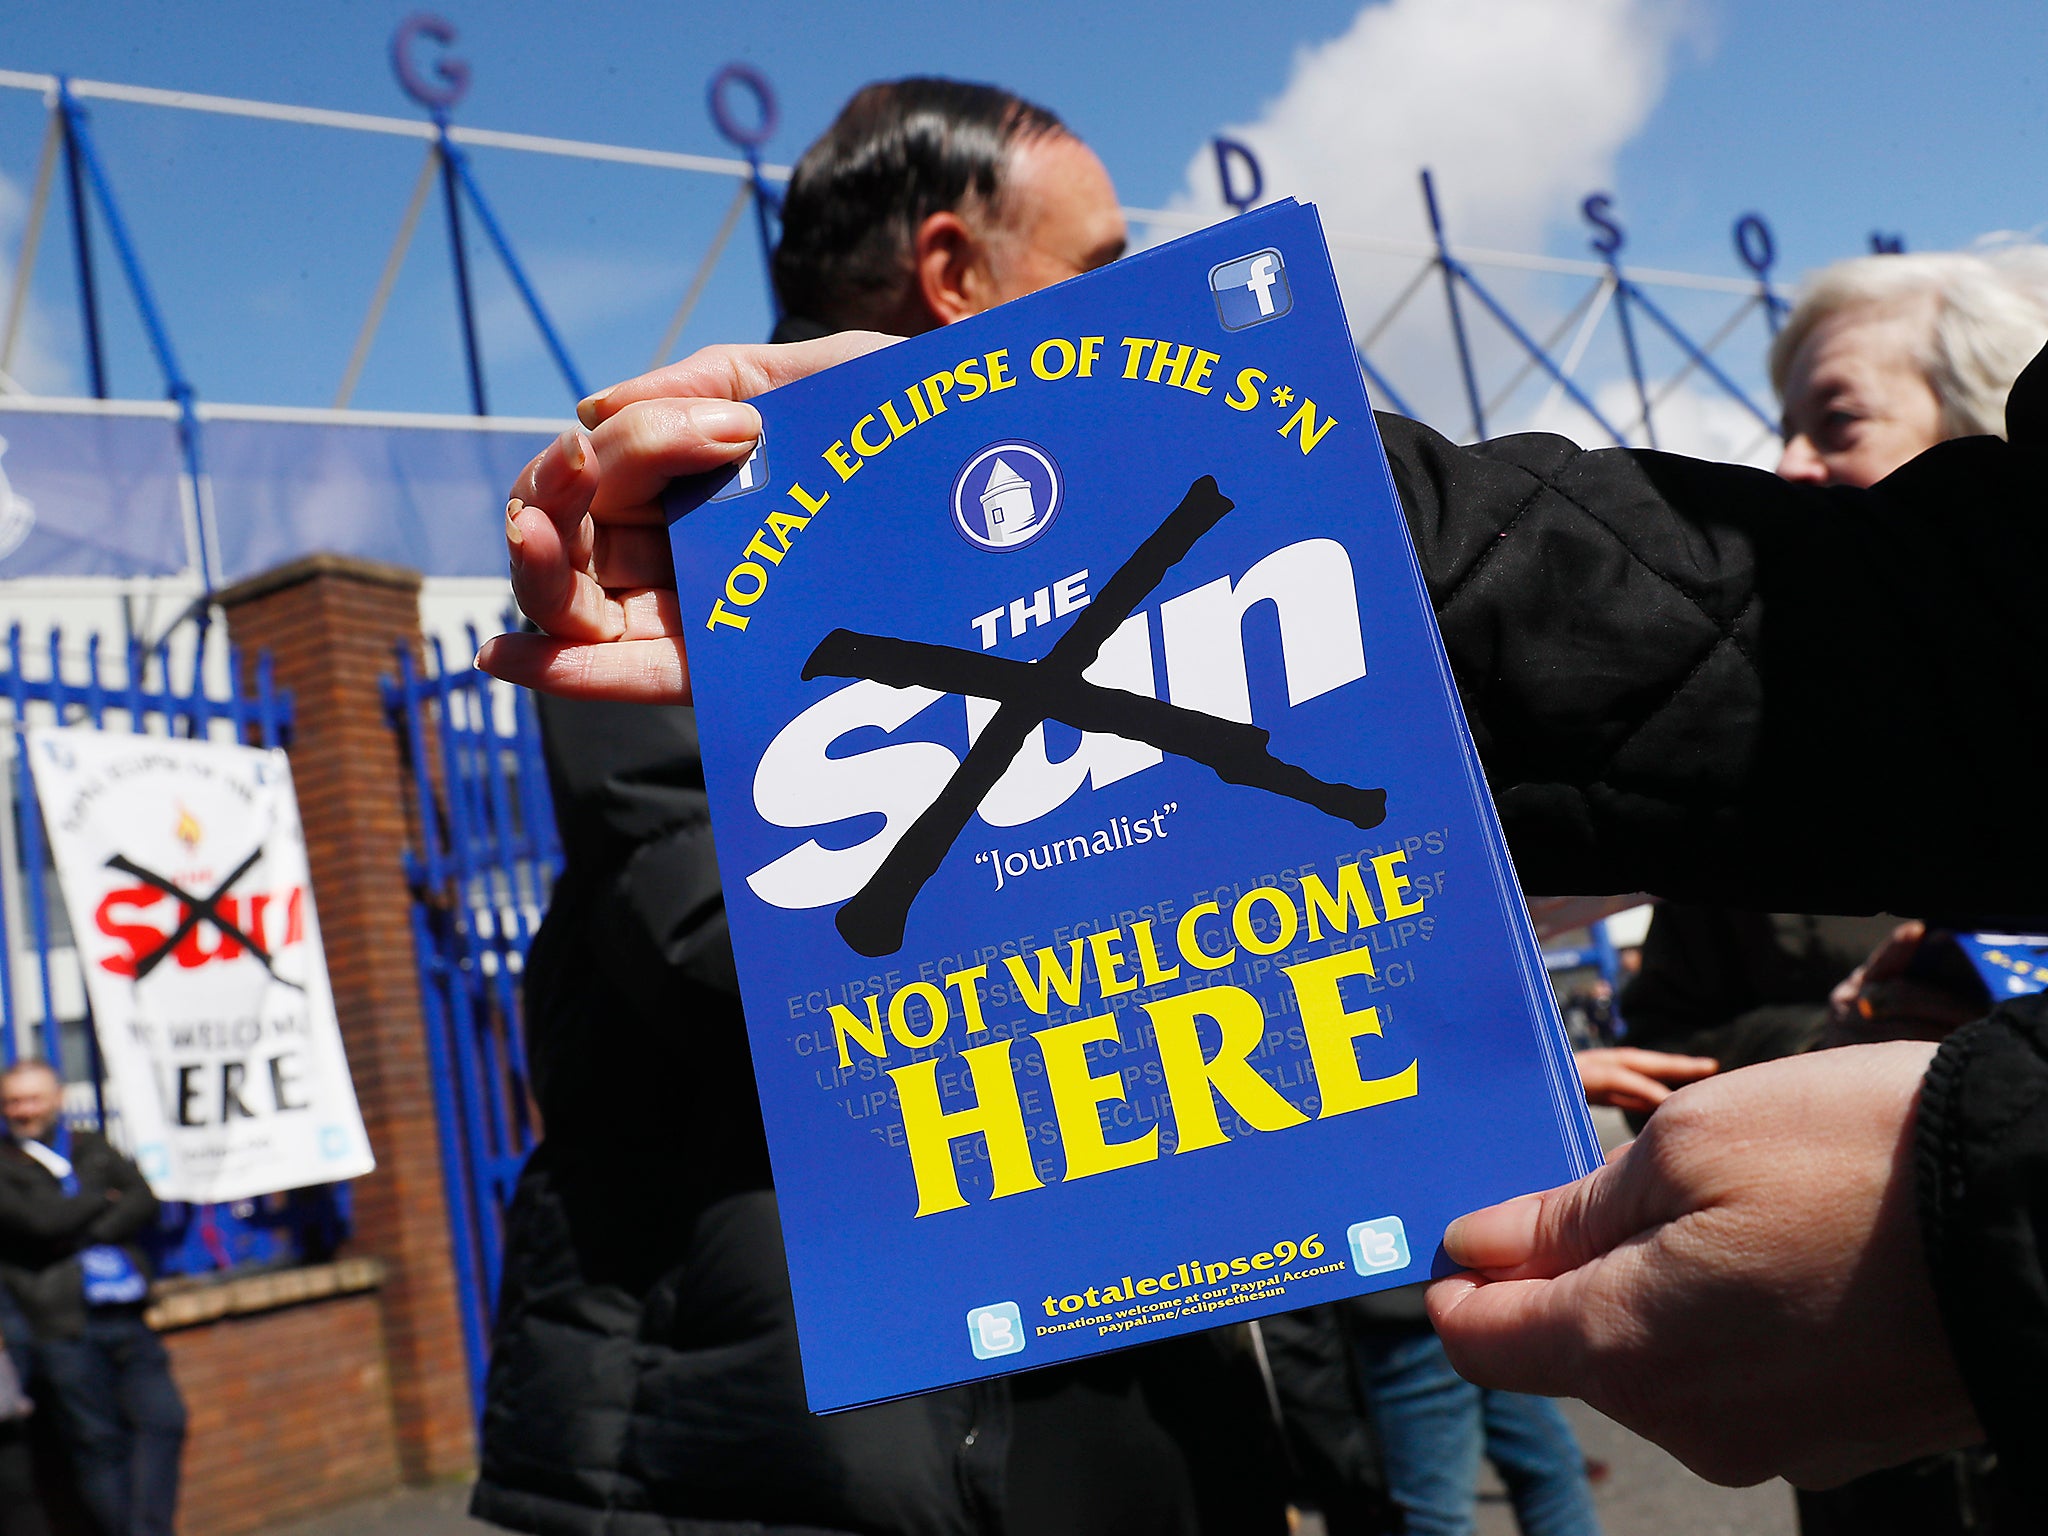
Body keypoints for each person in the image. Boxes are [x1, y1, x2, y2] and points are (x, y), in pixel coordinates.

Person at [473, 308, 2048, 1514]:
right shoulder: (699, 637)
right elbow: (1935, 636)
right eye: (1094, 272)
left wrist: (1989, 1212)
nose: (1114, 303)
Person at [471, 80, 1308, 1536]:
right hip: (820, 1450)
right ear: (952, 271)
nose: (1140, 308)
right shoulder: (692, 549)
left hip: (1120, 1394)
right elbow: (750, 948)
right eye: (1101, 270)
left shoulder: (1128, 546)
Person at [0, 1060, 182, 1536]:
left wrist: (79, 1226)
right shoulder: (3, 1162)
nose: (23, 1110)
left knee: (165, 1421)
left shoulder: (90, 1145)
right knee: (98, 1444)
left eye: (33, 1098)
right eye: (13, 1101)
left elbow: (143, 1197)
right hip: (60, 1324)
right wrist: (103, 1199)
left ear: (58, 1098)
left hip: (124, 1310)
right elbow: (39, 1224)